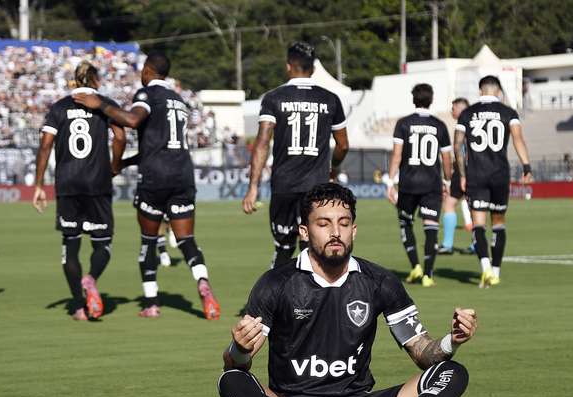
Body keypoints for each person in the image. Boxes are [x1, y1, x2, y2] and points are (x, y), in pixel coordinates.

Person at [218, 183, 477, 397]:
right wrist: (238, 347)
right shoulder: (275, 284)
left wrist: (450, 342)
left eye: (343, 223)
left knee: (452, 372)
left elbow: (422, 353)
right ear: (304, 231)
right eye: (323, 223)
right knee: (231, 381)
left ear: (354, 230)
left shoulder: (379, 281)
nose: (335, 232)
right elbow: (238, 363)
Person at [72, 52, 220, 320]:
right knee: (186, 240)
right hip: (183, 175)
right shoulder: (179, 100)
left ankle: (151, 303)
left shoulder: (146, 94)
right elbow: (160, 146)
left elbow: (132, 120)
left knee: (148, 240)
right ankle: (202, 281)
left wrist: (99, 105)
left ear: (149, 71)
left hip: (155, 178)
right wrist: (124, 163)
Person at [242, 41, 349, 268]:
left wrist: (253, 187)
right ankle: (310, 300)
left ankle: (273, 299)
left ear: (289, 66)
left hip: (284, 185)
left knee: (284, 247)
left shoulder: (273, 98)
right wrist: (334, 167)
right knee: (313, 247)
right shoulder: (331, 99)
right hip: (316, 187)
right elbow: (343, 146)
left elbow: (262, 143)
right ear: (313, 68)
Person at [33, 62, 126, 321]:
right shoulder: (103, 103)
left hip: (67, 185)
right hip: (97, 183)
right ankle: (91, 279)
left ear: (75, 80)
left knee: (70, 246)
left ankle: (77, 306)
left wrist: (39, 185)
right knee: (103, 243)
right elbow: (120, 137)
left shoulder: (59, 107)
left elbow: (45, 146)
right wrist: (114, 166)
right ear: (95, 80)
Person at [454, 76, 533, 287]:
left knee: (478, 224)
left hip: (476, 175)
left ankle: (485, 268)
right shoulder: (509, 112)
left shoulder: (466, 113)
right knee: (498, 223)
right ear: (498, 91)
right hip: (499, 175)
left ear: (481, 91)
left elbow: (457, 145)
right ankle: (496, 272)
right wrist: (527, 167)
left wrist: (462, 175)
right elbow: (518, 139)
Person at [386, 84, 453, 287]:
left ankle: (415, 266)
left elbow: (397, 155)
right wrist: (448, 180)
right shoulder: (439, 125)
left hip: (408, 184)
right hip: (432, 184)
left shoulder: (403, 123)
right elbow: (447, 158)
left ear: (413, 99)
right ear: (431, 100)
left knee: (405, 224)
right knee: (431, 228)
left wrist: (390, 181)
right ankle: (428, 275)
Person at [438, 98, 474, 255]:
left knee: (450, 204)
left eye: (453, 108)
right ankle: (475, 244)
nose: (452, 111)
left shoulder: (463, 125)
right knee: (473, 206)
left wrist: (459, 172)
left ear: (460, 109)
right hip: (473, 170)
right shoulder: (474, 122)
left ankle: (447, 244)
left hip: (464, 171)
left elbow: (461, 150)